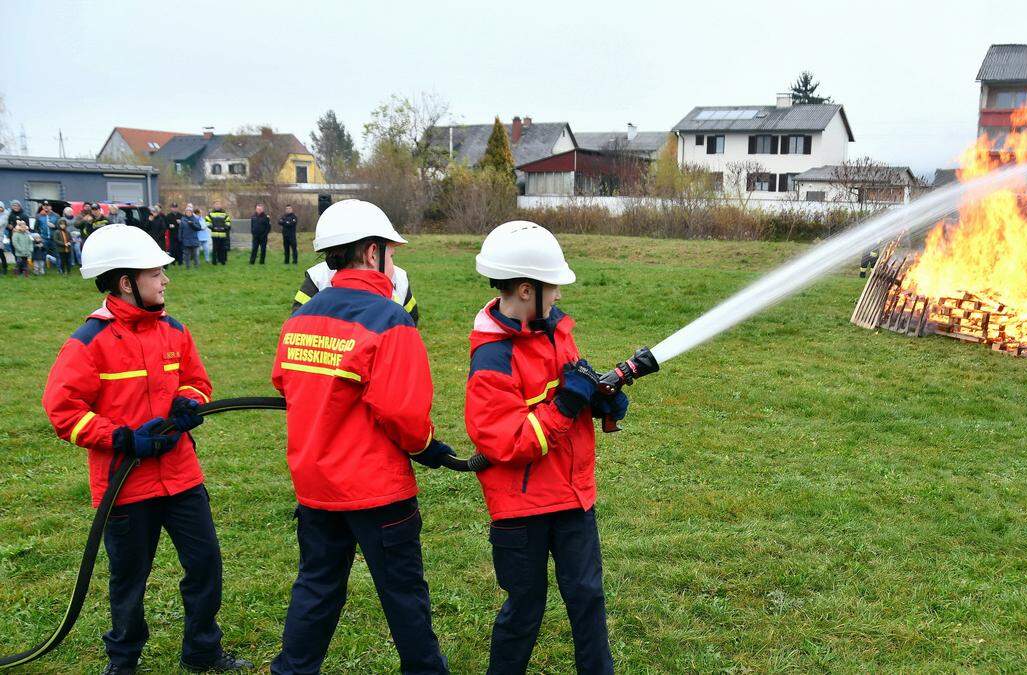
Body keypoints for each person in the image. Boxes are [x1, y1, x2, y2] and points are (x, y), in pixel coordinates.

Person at [41, 224, 250, 675]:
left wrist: (189, 405)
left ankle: (201, 651)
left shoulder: (174, 331)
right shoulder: (88, 343)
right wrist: (120, 438)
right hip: (125, 487)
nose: (166, 280)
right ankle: (124, 659)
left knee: (205, 566)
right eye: (157, 273)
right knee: (129, 581)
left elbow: (199, 383)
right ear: (126, 282)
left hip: (181, 477)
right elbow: (62, 410)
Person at [269, 199, 453, 675]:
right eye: (391, 253)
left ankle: (292, 669)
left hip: (315, 486)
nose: (394, 264)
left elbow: (282, 382)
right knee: (403, 594)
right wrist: (427, 447)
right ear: (372, 253)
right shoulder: (390, 321)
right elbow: (402, 412)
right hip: (376, 491)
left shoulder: (301, 318)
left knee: (316, 587)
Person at [465, 220, 627, 674]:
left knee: (588, 597)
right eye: (552, 287)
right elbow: (507, 442)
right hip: (521, 509)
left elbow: (573, 383)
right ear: (523, 289)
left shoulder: (555, 328)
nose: (558, 295)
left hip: (573, 496)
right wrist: (566, 402)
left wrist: (602, 403)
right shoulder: (492, 358)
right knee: (525, 608)